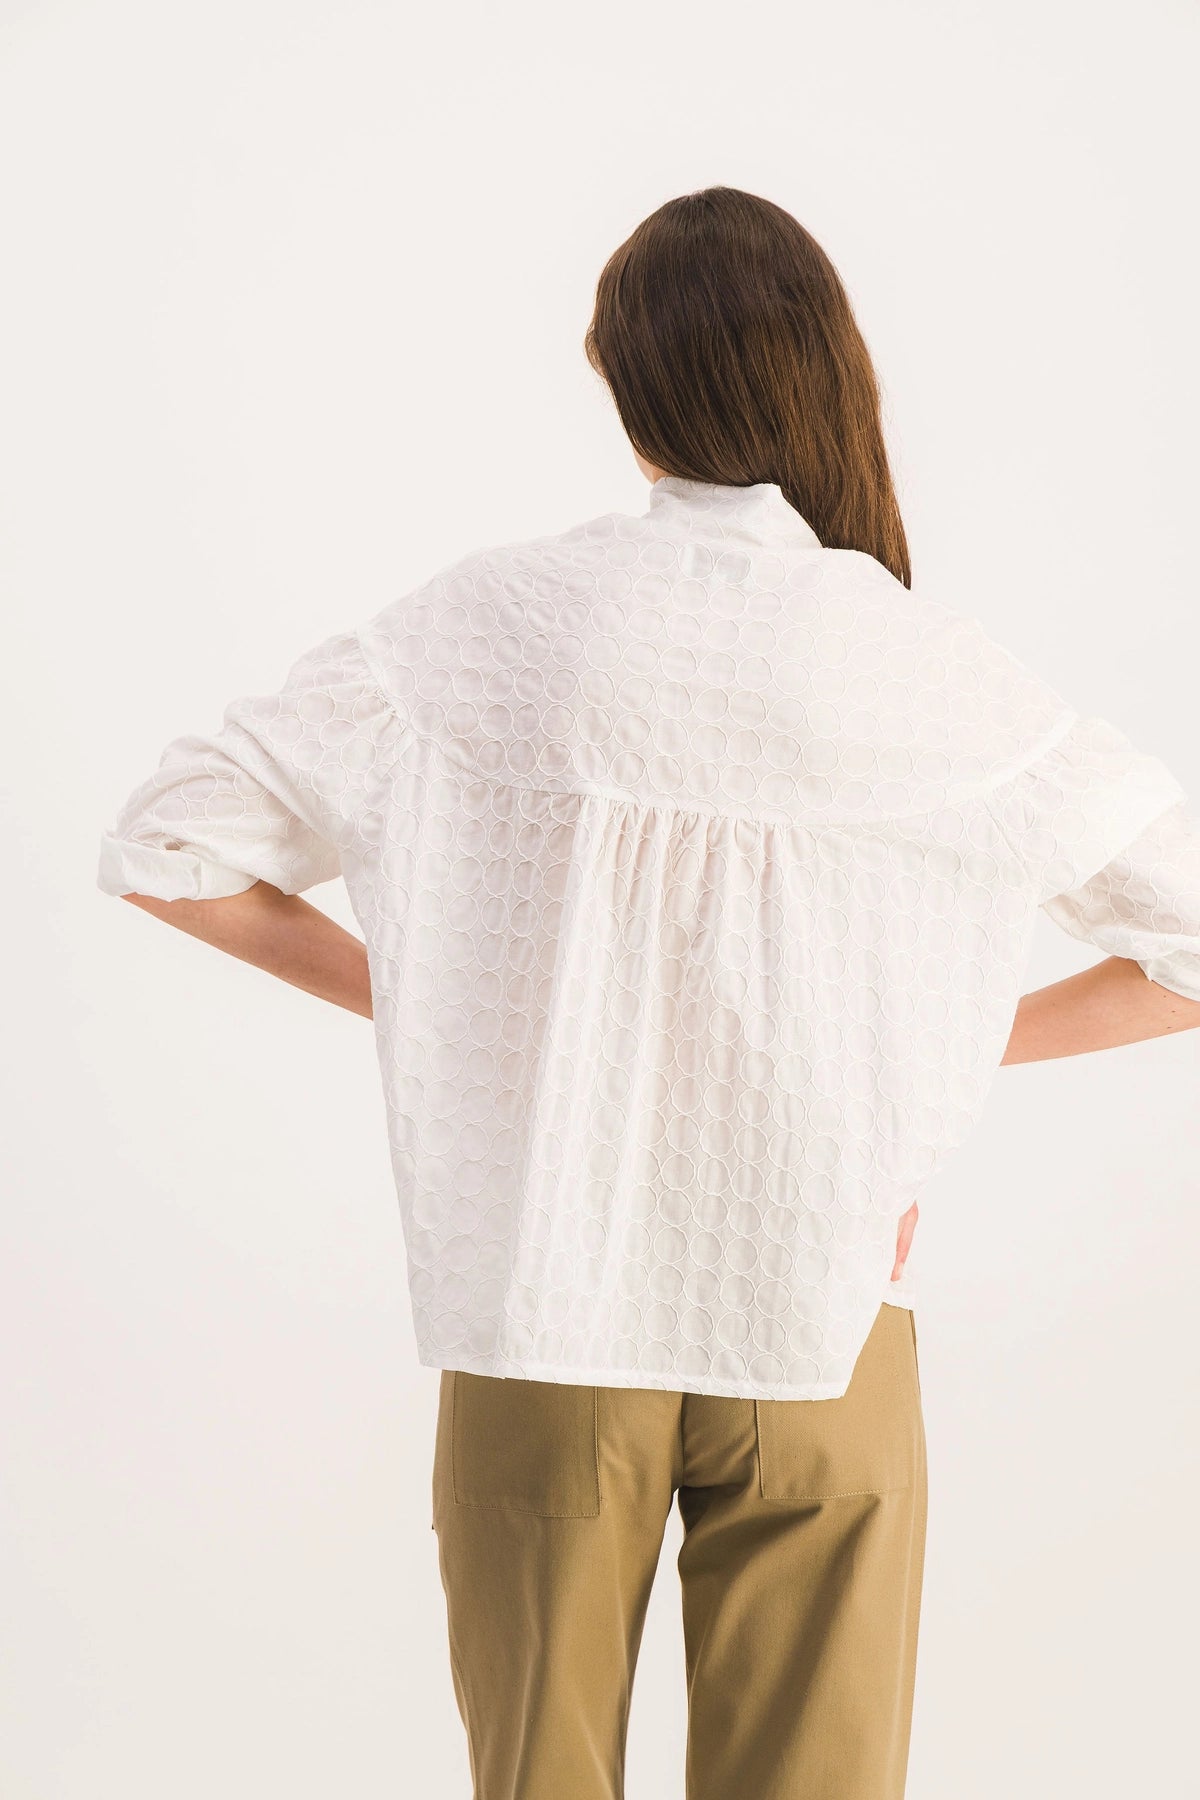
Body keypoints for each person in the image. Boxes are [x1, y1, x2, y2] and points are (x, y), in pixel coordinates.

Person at [96, 185, 1200, 1800]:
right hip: (827, 1324)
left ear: (623, 384)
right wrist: (930, 1066)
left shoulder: (488, 626)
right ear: (831, 376)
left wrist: (457, 997)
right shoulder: (931, 668)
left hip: (546, 1316)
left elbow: (166, 845)